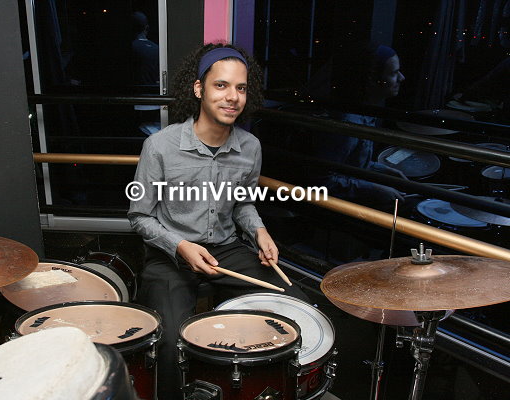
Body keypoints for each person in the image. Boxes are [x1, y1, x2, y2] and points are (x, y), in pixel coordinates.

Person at [128, 43, 308, 400]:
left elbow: (242, 204)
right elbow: (140, 216)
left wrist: (259, 231)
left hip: (227, 251)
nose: (232, 97)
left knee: (295, 307)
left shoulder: (250, 147)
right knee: (169, 344)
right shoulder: (160, 146)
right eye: (221, 85)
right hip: (172, 256)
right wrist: (180, 246)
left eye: (241, 88)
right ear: (199, 89)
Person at [309, 42, 408, 206]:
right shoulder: (346, 123)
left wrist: (386, 171)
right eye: (393, 73)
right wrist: (375, 190)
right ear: (372, 80)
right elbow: (322, 181)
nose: (401, 78)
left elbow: (353, 164)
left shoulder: (363, 112)